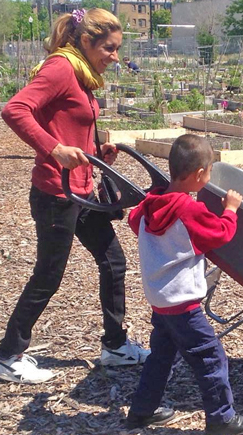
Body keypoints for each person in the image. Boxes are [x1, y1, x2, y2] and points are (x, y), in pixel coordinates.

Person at [0, 8, 149, 385]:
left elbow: (69, 125)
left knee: (113, 263)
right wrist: (54, 150)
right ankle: (7, 355)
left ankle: (115, 346)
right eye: (110, 48)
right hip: (56, 192)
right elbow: (15, 109)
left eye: (117, 49)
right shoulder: (62, 68)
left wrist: (99, 153)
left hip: (82, 191)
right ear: (87, 41)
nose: (115, 56)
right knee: (48, 275)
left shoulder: (82, 74)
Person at [125, 134, 243, 434]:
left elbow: (135, 221)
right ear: (200, 175)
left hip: (161, 301)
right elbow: (221, 233)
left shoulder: (148, 206)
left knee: (161, 356)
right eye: (208, 172)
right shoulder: (189, 211)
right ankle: (222, 419)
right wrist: (231, 209)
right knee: (210, 358)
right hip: (184, 304)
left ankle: (141, 411)